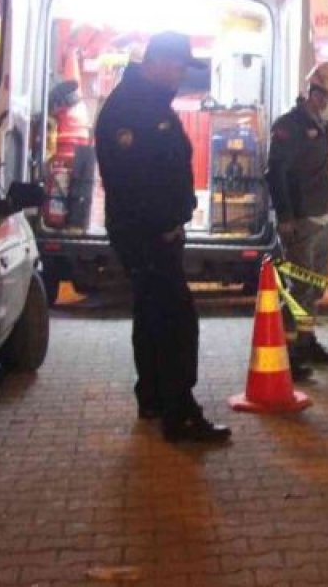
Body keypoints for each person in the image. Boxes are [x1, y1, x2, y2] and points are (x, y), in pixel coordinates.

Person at [93, 32, 231, 444]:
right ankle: (180, 412)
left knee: (152, 314)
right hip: (149, 234)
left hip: (150, 231)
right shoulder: (132, 109)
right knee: (176, 321)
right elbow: (133, 180)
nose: (178, 76)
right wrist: (163, 224)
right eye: (175, 67)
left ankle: (152, 396)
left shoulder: (147, 102)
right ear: (154, 62)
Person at [266, 62, 328, 370]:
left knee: (315, 286)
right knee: (299, 289)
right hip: (300, 221)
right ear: (316, 95)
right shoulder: (289, 127)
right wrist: (286, 217)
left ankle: (305, 341)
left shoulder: (323, 126)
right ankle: (286, 352)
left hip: (322, 219)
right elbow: (275, 173)